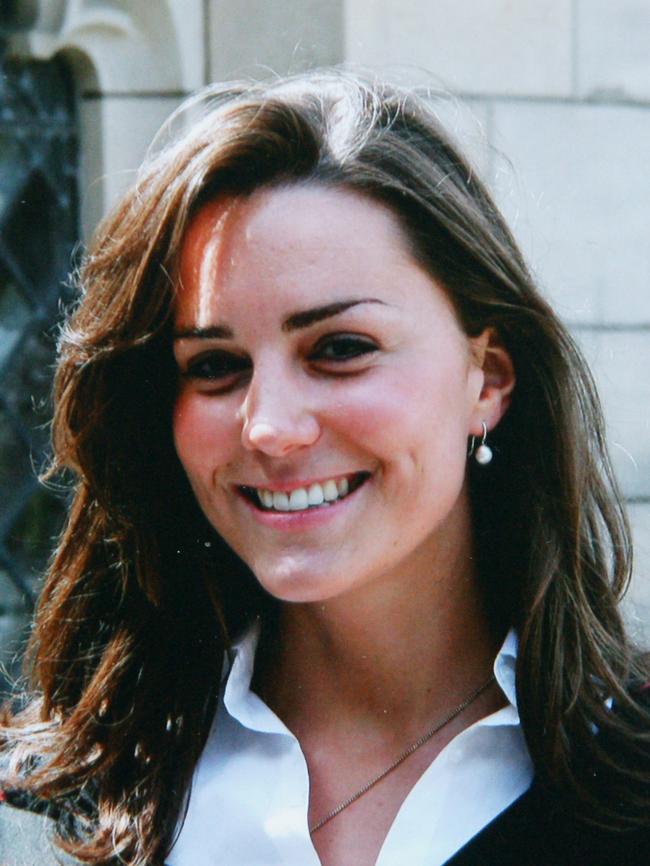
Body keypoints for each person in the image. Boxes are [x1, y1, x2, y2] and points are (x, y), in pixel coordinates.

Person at [0, 69, 649, 866]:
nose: (269, 426)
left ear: (489, 379)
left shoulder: (627, 784)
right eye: (213, 366)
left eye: (340, 350)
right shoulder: (53, 809)